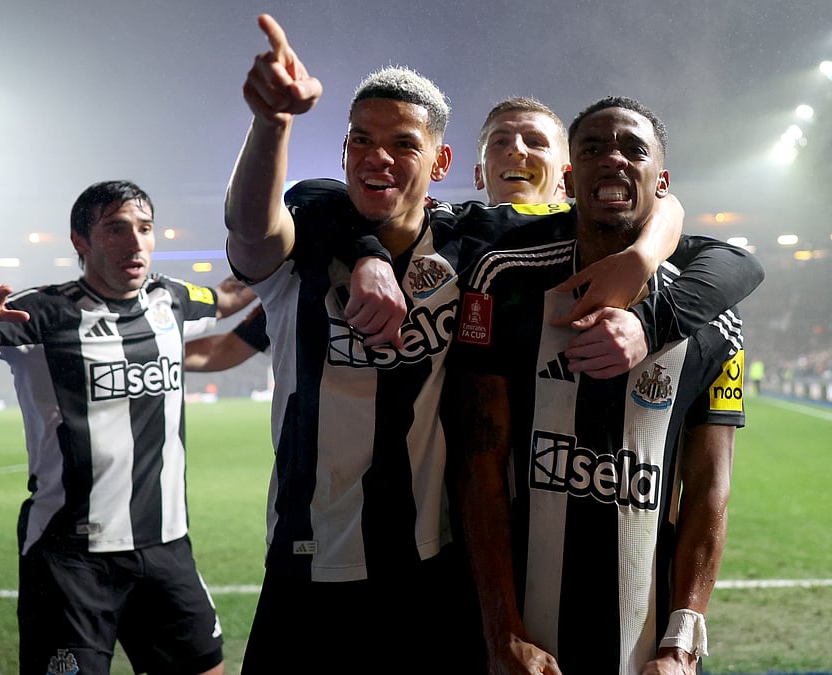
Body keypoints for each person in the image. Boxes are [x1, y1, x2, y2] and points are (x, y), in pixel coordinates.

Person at [226, 15, 761, 672]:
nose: (379, 156)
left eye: (403, 143)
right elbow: (266, 217)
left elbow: (695, 235)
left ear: (441, 163)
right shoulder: (308, 245)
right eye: (361, 139)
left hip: (431, 569)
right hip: (305, 564)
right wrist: (274, 126)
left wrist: (645, 262)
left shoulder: (480, 247)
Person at [443, 97, 749, 675]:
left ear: (662, 183)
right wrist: (503, 631)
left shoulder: (715, 320)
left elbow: (710, 489)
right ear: (569, 176)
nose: (612, 159)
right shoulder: (504, 279)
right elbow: (478, 468)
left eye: (633, 149)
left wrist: (681, 645)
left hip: (645, 648)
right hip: (523, 641)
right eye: (592, 149)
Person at [0, 180, 231, 675]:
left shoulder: (172, 299)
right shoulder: (40, 313)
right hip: (70, 557)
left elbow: (232, 295)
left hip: (166, 546)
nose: (135, 242)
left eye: (145, 228)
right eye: (116, 229)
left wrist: (296, 265)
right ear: (80, 240)